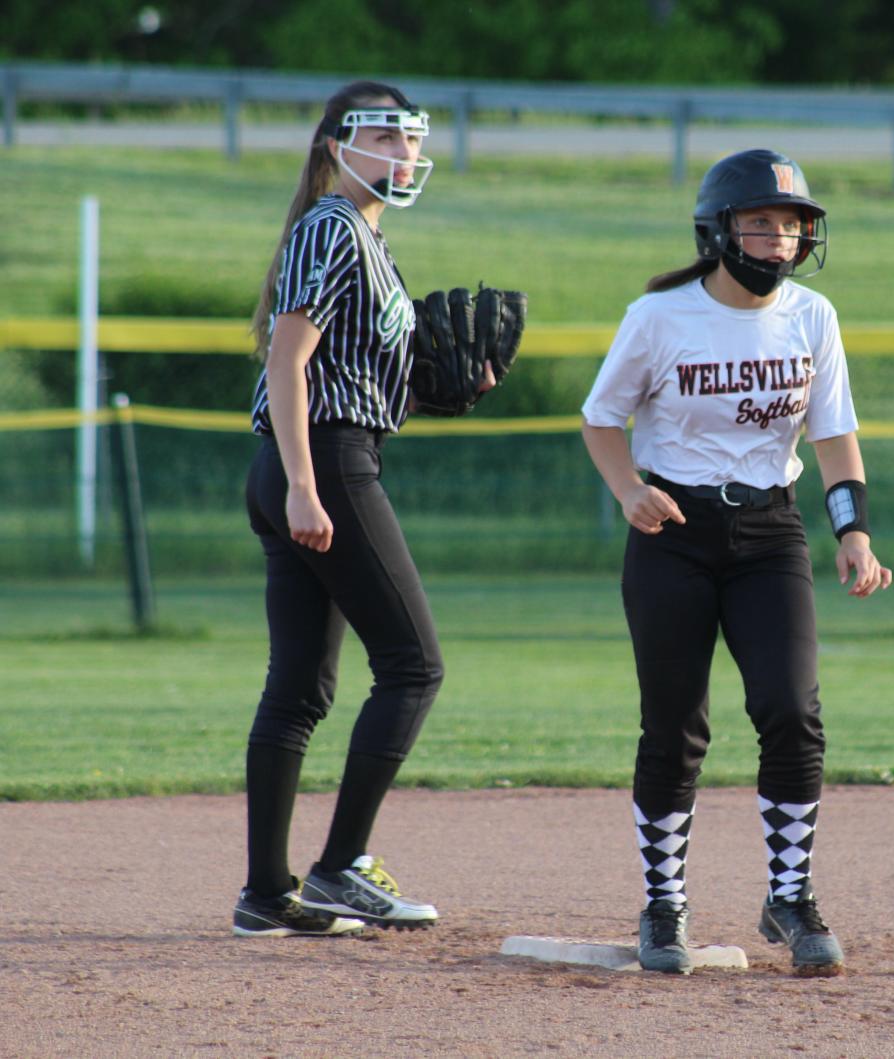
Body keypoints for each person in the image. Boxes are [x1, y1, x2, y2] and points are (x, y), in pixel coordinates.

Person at [581, 148, 892, 976]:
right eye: (761, 223)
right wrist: (626, 491)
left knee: (791, 708)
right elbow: (601, 421)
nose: (779, 239)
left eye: (793, 226)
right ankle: (664, 905)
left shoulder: (812, 316)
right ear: (719, 230)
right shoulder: (659, 316)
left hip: (770, 531)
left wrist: (852, 533)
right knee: (675, 726)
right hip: (672, 531)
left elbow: (834, 437)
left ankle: (789, 897)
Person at [233, 81, 492, 937]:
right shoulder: (334, 228)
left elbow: (367, 380)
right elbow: (288, 361)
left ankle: (265, 896)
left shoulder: (369, 243)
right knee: (414, 666)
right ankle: (341, 866)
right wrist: (307, 485)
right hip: (321, 463)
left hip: (320, 457)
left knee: (301, 687)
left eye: (412, 140)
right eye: (384, 135)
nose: (403, 154)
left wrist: (450, 390)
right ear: (334, 146)